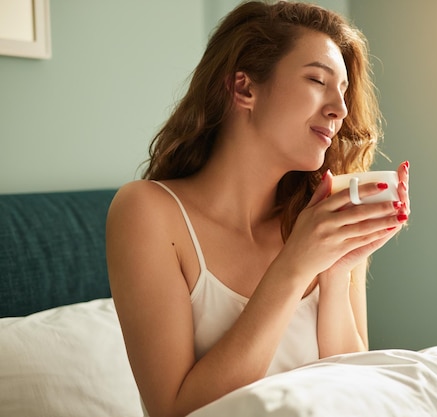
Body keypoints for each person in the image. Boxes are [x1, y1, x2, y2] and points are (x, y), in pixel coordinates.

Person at [106, 1, 410, 416]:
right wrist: (296, 264)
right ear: (244, 89)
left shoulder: (322, 218)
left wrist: (337, 269)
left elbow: (351, 387)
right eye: (318, 81)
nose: (339, 110)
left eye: (343, 91)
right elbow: (176, 411)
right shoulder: (147, 212)